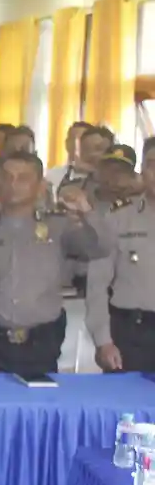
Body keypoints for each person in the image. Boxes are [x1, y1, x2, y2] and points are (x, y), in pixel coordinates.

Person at [0, 152, 113, 377]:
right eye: (7, 177)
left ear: (40, 186)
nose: (13, 185)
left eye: (23, 178)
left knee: (40, 397)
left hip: (42, 341)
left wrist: (87, 211)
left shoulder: (59, 226)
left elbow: (101, 248)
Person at [87, 144, 155, 372]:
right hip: (132, 334)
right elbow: (97, 284)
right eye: (152, 165)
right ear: (142, 170)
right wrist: (103, 341)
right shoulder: (119, 216)